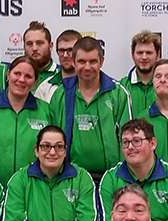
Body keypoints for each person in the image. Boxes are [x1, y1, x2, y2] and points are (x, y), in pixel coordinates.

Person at [40, 36, 133, 180]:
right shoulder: (60, 94)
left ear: (101, 62)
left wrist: (121, 178)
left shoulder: (118, 93)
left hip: (110, 178)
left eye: (93, 61)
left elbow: (129, 139)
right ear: (73, 62)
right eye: (82, 61)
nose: (87, 67)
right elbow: (51, 137)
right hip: (70, 177)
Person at [0, 56, 54, 186]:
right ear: (8, 75)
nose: (21, 80)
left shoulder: (46, 111)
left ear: (35, 82)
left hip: (33, 187)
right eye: (17, 73)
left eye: (28, 76)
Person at [120, 31, 161, 118]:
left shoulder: (166, 86)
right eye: (140, 53)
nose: (144, 57)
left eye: (149, 53)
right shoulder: (121, 87)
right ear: (132, 55)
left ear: (157, 55)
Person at [24, 21, 60, 88]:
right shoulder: (15, 75)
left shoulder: (62, 75)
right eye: (29, 44)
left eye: (39, 43)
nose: (34, 48)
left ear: (50, 46)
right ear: (24, 47)